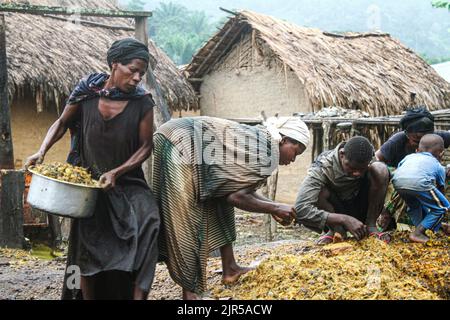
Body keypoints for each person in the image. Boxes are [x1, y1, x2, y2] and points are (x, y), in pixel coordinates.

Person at [25, 38, 160, 300]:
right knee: (88, 241)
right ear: (114, 64)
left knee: (150, 223)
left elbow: (146, 147)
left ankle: (138, 296)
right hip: (88, 184)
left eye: (141, 73)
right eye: (132, 70)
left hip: (127, 182)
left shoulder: (143, 102)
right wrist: (41, 151)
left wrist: (117, 172)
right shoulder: (87, 91)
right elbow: (62, 123)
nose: (136, 77)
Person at [152, 116, 310, 299]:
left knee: (220, 201)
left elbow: (235, 190)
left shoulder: (263, 144)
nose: (294, 160)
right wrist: (274, 208)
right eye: (296, 152)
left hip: (185, 140)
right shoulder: (267, 153)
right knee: (187, 215)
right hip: (180, 139)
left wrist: (274, 206)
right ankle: (190, 293)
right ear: (284, 140)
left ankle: (230, 268)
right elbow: (237, 197)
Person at [294, 136, 390, 245]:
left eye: (361, 169)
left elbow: (381, 184)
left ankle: (371, 226)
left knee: (380, 169)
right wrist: (343, 219)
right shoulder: (322, 167)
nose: (357, 174)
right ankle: (336, 231)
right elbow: (301, 209)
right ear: (342, 154)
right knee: (319, 190)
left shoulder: (369, 158)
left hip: (362, 207)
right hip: (335, 212)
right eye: (351, 167)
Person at [375, 106, 450, 230]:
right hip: (398, 179)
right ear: (406, 134)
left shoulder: (435, 139)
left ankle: (428, 224)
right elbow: (376, 161)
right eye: (416, 141)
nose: (420, 146)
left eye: (424, 140)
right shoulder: (397, 140)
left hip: (425, 179)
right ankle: (387, 215)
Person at [392, 134, 450, 243]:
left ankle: (420, 231)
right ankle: (417, 233)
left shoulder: (408, 157)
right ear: (441, 153)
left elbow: (400, 170)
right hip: (419, 182)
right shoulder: (437, 165)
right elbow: (440, 192)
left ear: (417, 150)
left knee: (414, 206)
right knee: (443, 207)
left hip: (398, 182)